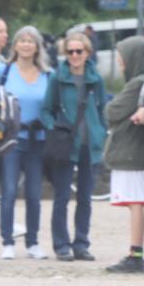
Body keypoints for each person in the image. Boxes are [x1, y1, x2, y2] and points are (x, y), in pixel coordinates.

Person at [39, 32, 107, 261]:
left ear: (87, 52)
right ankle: (61, 244)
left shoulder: (95, 78)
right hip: (67, 144)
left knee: (86, 197)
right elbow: (46, 110)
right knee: (62, 196)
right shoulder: (57, 78)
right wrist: (55, 128)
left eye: (80, 51)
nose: (75, 55)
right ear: (65, 53)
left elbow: (101, 109)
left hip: (91, 143)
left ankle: (81, 243)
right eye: (71, 51)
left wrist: (101, 132)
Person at [0, 26, 51, 260]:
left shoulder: (48, 74)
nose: (27, 45)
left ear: (37, 46)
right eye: (22, 40)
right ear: (15, 45)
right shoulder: (4, 72)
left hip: (38, 140)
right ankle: (7, 241)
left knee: (33, 193)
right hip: (11, 139)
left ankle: (33, 242)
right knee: (9, 190)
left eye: (31, 41)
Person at [103, 36, 144, 273]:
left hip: (131, 149)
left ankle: (136, 254)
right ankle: (135, 252)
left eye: (122, 58)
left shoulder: (137, 83)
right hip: (132, 148)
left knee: (135, 202)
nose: (120, 63)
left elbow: (112, 111)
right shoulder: (140, 81)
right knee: (134, 201)